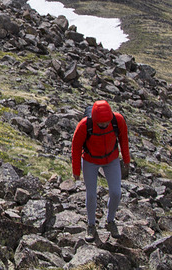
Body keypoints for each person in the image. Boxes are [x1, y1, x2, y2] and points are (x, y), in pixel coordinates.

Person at [71, 100, 130, 241]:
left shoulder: (118, 120)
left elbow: (124, 140)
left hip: (112, 160)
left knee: (116, 193)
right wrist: (76, 170)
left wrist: (126, 160)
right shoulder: (85, 125)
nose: (104, 125)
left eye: (106, 123)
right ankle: (91, 225)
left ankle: (110, 220)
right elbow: (76, 147)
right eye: (101, 124)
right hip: (90, 161)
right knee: (91, 195)